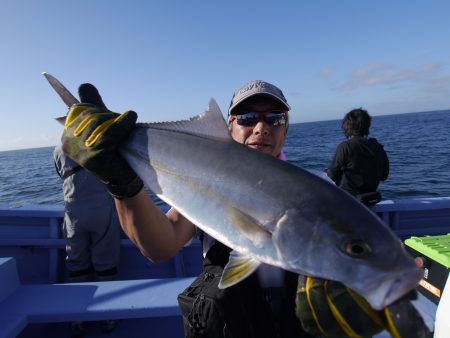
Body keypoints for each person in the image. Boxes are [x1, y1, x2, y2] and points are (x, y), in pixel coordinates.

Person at [59, 80, 430, 338]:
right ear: (230, 126)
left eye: (274, 118)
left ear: (287, 128)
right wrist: (121, 186)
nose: (261, 128)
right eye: (248, 118)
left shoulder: (321, 187)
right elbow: (160, 248)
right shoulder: (209, 174)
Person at [53, 92, 121, 337]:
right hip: (101, 208)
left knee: (77, 264)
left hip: (73, 211)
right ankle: (108, 317)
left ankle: (78, 319)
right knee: (105, 264)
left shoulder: (59, 148)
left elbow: (60, 174)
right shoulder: (102, 140)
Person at [327, 108, 389, 208]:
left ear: (347, 126)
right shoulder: (378, 147)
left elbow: (331, 175)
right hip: (370, 204)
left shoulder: (345, 146)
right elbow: (384, 176)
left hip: (348, 203)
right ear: (367, 126)